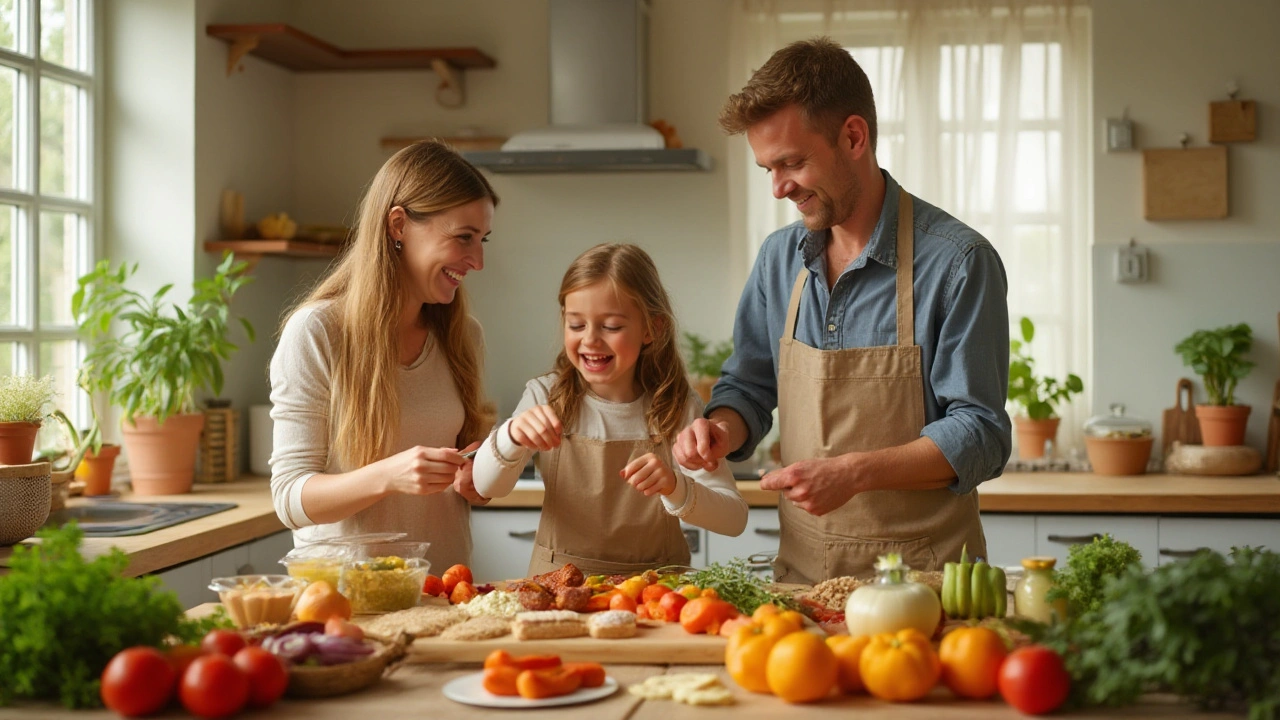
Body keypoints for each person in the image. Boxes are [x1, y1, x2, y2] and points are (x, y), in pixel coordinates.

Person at [674, 37, 1011, 584]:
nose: (781, 187)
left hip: (926, 585)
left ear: (853, 137)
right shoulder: (779, 259)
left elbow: (982, 433)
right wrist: (719, 429)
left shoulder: (959, 262)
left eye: (793, 162)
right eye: (768, 169)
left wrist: (854, 473)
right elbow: (750, 387)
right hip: (804, 583)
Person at [269, 140, 498, 572]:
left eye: (482, 239)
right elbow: (290, 499)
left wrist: (480, 474)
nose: (478, 261)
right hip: (345, 599)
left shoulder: (463, 335)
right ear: (398, 225)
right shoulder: (318, 332)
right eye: (464, 238)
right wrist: (389, 476)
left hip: (444, 592)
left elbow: (461, 477)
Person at [473, 243, 748, 576]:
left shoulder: (677, 407)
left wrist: (676, 487)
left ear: (652, 329)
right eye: (577, 325)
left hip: (657, 595)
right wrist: (511, 434)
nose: (590, 340)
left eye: (612, 327)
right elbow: (487, 486)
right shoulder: (545, 396)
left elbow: (735, 519)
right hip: (558, 589)